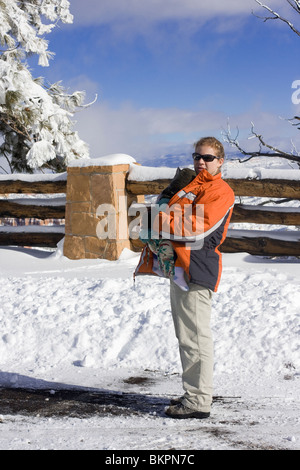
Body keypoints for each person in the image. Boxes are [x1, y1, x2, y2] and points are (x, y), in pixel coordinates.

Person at [135, 136, 235, 419]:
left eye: (207, 158)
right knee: (186, 335)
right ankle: (195, 392)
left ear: (220, 162)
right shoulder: (192, 187)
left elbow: (194, 227)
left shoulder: (220, 191)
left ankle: (198, 402)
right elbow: (171, 213)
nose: (200, 162)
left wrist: (155, 219)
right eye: (196, 157)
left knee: (195, 337)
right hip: (180, 267)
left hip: (197, 267)